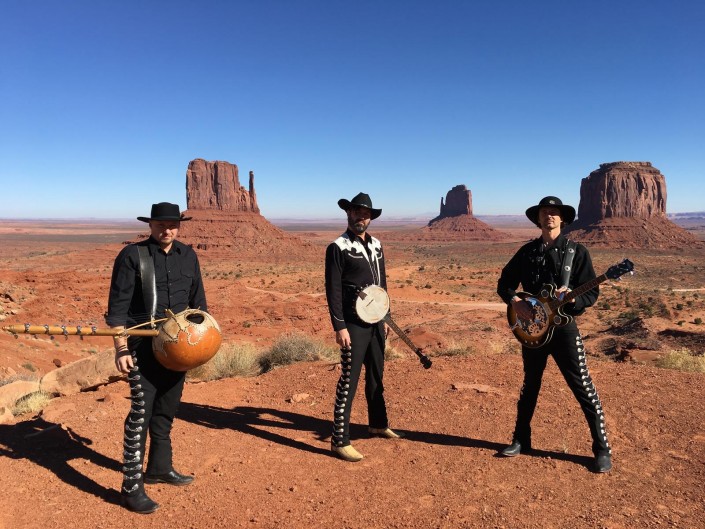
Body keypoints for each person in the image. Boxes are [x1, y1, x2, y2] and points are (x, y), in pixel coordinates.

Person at [496, 196, 612, 473]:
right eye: (545, 212)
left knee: (582, 386)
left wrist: (573, 299)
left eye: (554, 212)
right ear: (538, 219)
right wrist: (515, 301)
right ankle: (521, 440)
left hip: (563, 330)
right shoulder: (527, 252)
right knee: (530, 386)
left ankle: (602, 449)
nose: (549, 215)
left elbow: (591, 292)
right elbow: (504, 283)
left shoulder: (577, 252)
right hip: (533, 330)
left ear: (563, 219)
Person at [107, 202, 207, 513]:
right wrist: (121, 349)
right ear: (150, 225)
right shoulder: (132, 256)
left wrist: (201, 344)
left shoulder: (188, 255)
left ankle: (160, 468)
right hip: (142, 347)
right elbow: (117, 308)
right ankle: (131, 487)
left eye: (172, 224)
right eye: (161, 224)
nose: (167, 230)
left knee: (166, 410)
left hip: (179, 348)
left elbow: (199, 305)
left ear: (179, 226)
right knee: (141, 413)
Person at [325, 192, 402, 462]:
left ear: (370, 218)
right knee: (349, 379)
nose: (361, 217)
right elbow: (333, 289)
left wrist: (387, 315)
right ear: (349, 213)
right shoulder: (338, 247)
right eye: (357, 212)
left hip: (376, 320)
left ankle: (378, 424)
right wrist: (339, 326)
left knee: (377, 375)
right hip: (353, 324)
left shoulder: (377, 245)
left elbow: (382, 284)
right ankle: (339, 440)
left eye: (366, 214)